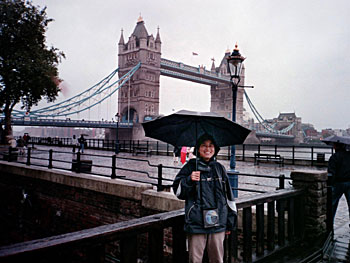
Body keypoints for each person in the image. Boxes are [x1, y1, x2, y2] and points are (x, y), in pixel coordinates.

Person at [172, 134, 237, 263]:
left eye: (211, 145)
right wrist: (189, 180)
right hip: (196, 223)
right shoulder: (190, 167)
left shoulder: (219, 168)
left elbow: (229, 197)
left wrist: (230, 221)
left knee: (217, 259)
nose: (208, 149)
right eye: (204, 145)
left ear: (215, 149)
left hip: (218, 222)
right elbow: (178, 192)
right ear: (198, 148)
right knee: (195, 260)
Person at [327, 142, 350, 224]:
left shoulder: (334, 157)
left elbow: (331, 173)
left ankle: (329, 224)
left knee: (332, 205)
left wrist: (331, 184)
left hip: (338, 183)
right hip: (349, 182)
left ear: (336, 146)